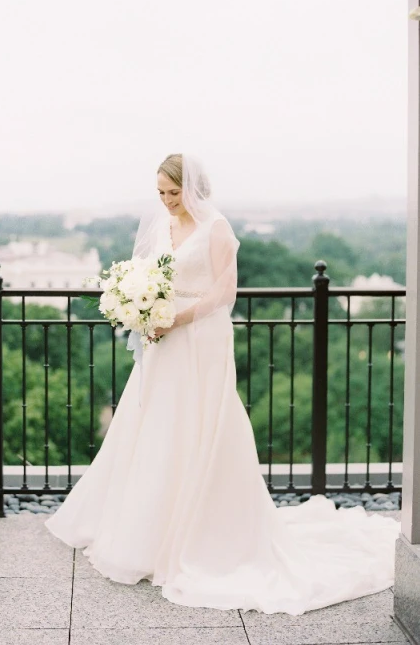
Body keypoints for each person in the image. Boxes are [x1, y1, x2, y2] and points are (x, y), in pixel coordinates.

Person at [45, 152, 400, 615]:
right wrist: (143, 308)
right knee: (157, 423)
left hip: (202, 336)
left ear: (192, 189)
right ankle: (148, 529)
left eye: (173, 193)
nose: (167, 202)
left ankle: (204, 530)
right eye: (160, 194)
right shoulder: (162, 228)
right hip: (164, 339)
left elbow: (224, 293)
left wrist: (178, 317)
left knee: (202, 421)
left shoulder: (217, 229)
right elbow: (151, 276)